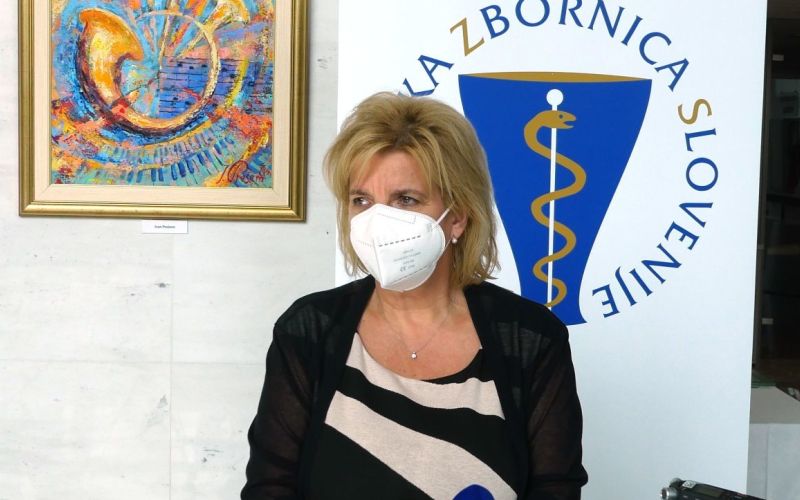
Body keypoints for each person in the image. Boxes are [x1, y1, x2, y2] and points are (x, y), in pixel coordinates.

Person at [242, 92, 587, 499]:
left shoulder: (530, 339)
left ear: (458, 217)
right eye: (361, 200)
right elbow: (270, 486)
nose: (377, 221)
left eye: (405, 199)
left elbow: (555, 489)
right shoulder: (310, 331)